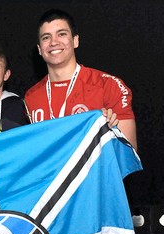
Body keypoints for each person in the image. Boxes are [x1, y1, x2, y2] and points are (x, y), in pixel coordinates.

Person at [24, 9, 136, 149]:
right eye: (46, 37)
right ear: (40, 49)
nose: (54, 42)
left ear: (75, 40)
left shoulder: (109, 85)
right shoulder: (31, 97)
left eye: (62, 34)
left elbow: (129, 152)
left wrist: (109, 131)